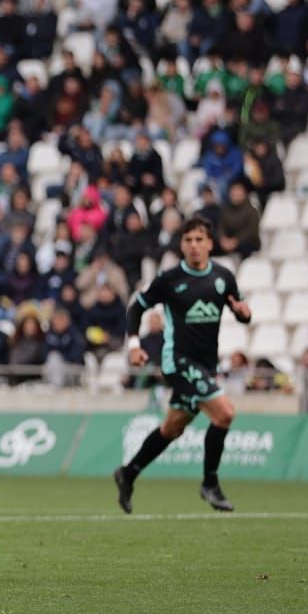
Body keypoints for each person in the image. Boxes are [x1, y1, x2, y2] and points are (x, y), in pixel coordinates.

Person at [116, 216, 252, 513]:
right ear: (181, 245)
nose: (194, 246)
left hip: (206, 364)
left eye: (199, 240)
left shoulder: (223, 277)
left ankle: (128, 473)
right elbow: (136, 308)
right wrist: (134, 345)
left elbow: (240, 311)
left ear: (210, 244)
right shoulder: (169, 279)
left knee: (172, 428)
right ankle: (210, 483)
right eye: (188, 240)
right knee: (225, 414)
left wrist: (244, 313)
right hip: (177, 362)